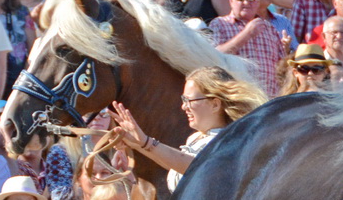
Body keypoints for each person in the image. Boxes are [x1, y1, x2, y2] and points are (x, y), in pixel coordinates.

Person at [108, 65, 266, 192]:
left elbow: (197, 167)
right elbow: (177, 164)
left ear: (215, 104)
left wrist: (145, 142)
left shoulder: (232, 140)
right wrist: (136, 143)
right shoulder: (195, 138)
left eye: (189, 100)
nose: (184, 107)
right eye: (183, 100)